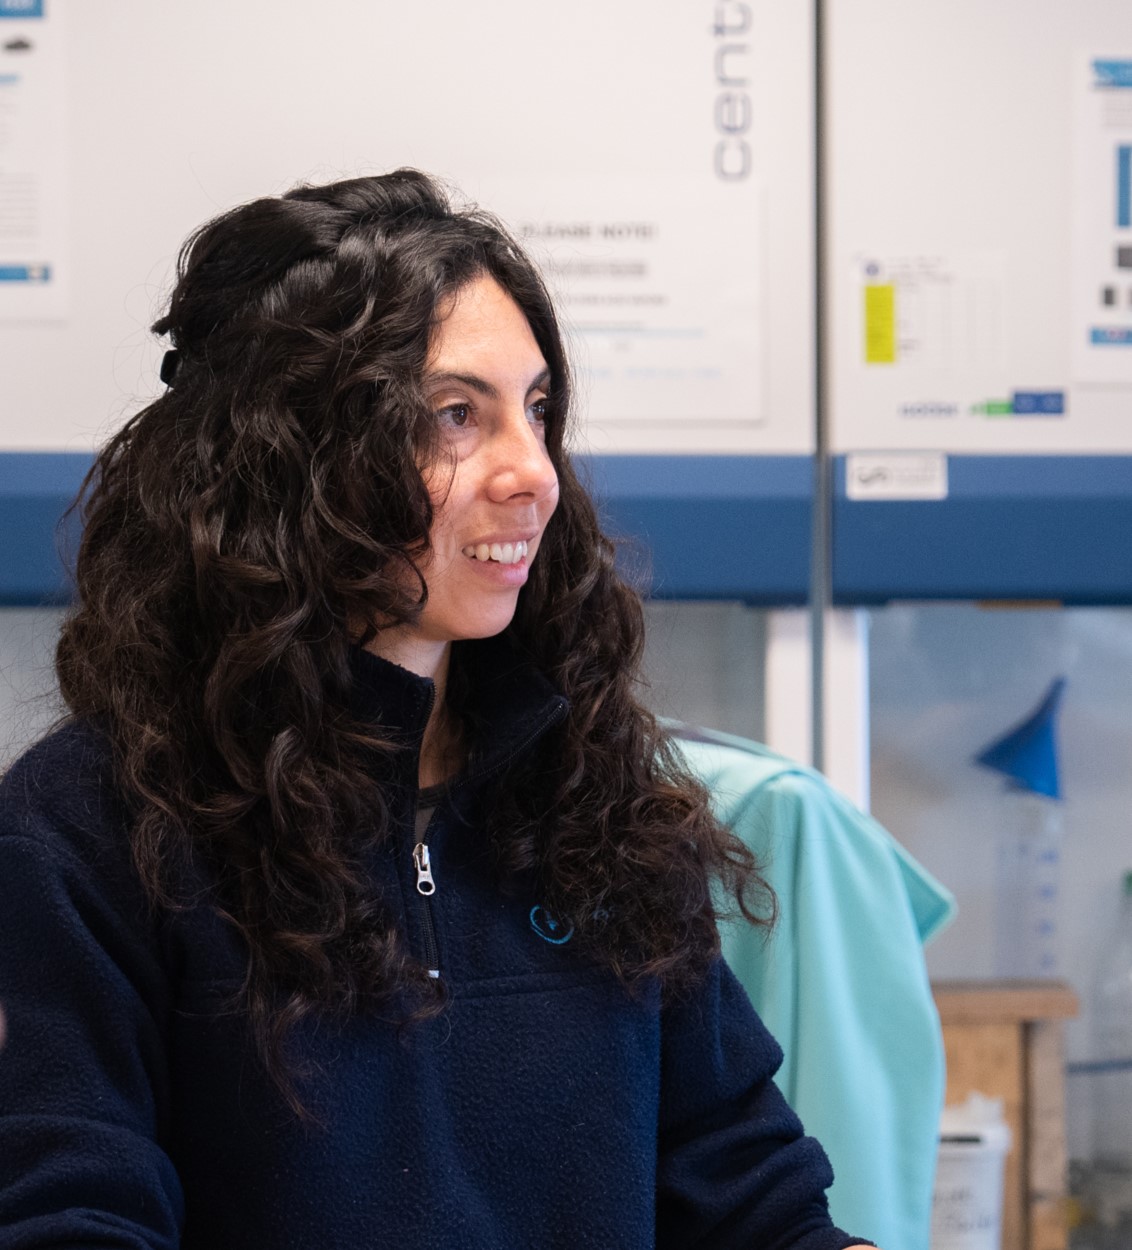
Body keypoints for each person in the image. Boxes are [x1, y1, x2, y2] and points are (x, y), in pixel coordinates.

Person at [0, 171, 876, 1249]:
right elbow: (71, 1215)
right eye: (455, 416)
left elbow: (753, 1203)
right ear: (289, 457)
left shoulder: (592, 795)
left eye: (538, 410)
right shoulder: (86, 828)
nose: (534, 472)